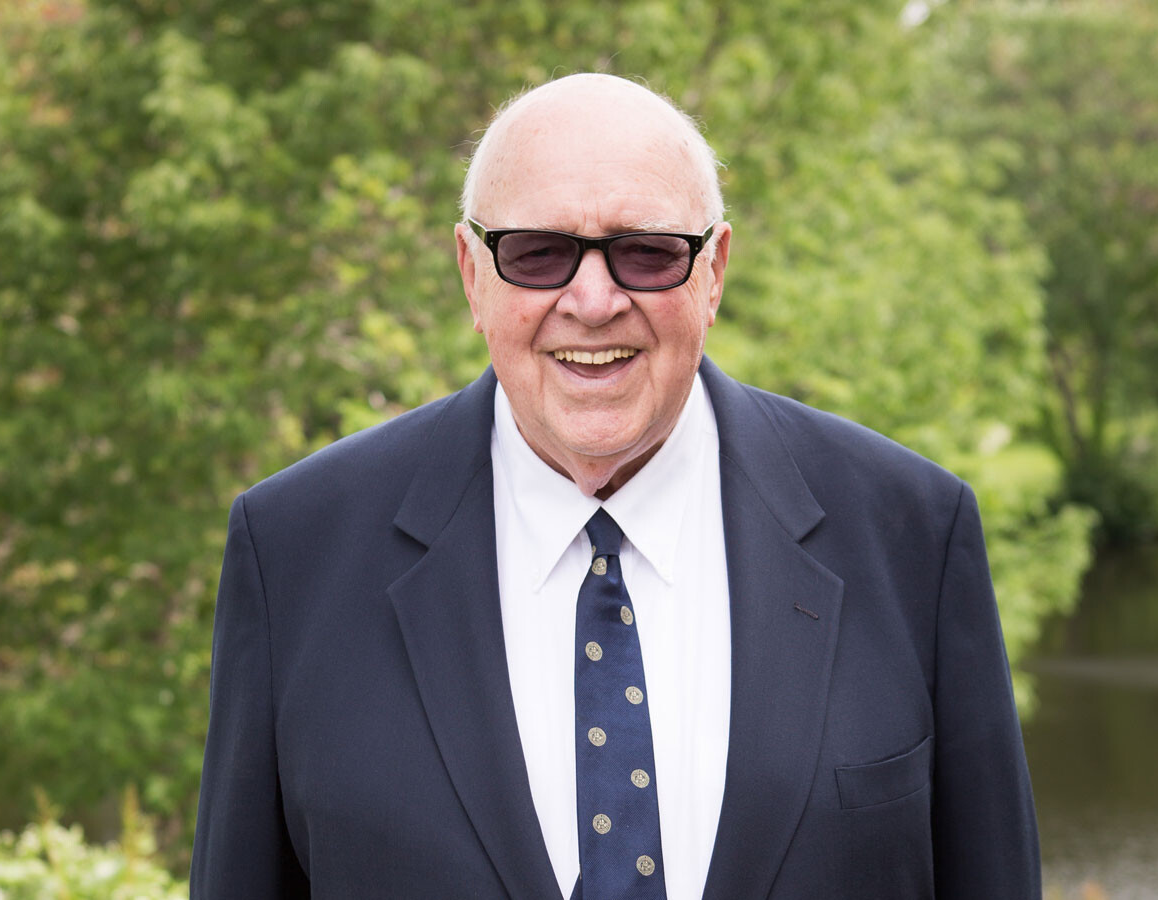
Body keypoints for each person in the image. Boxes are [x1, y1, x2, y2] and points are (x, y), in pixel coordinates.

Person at [190, 73, 1040, 899]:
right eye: (538, 253)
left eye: (646, 253)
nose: (592, 301)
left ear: (713, 272)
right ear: (470, 273)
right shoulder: (294, 550)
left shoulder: (911, 534)